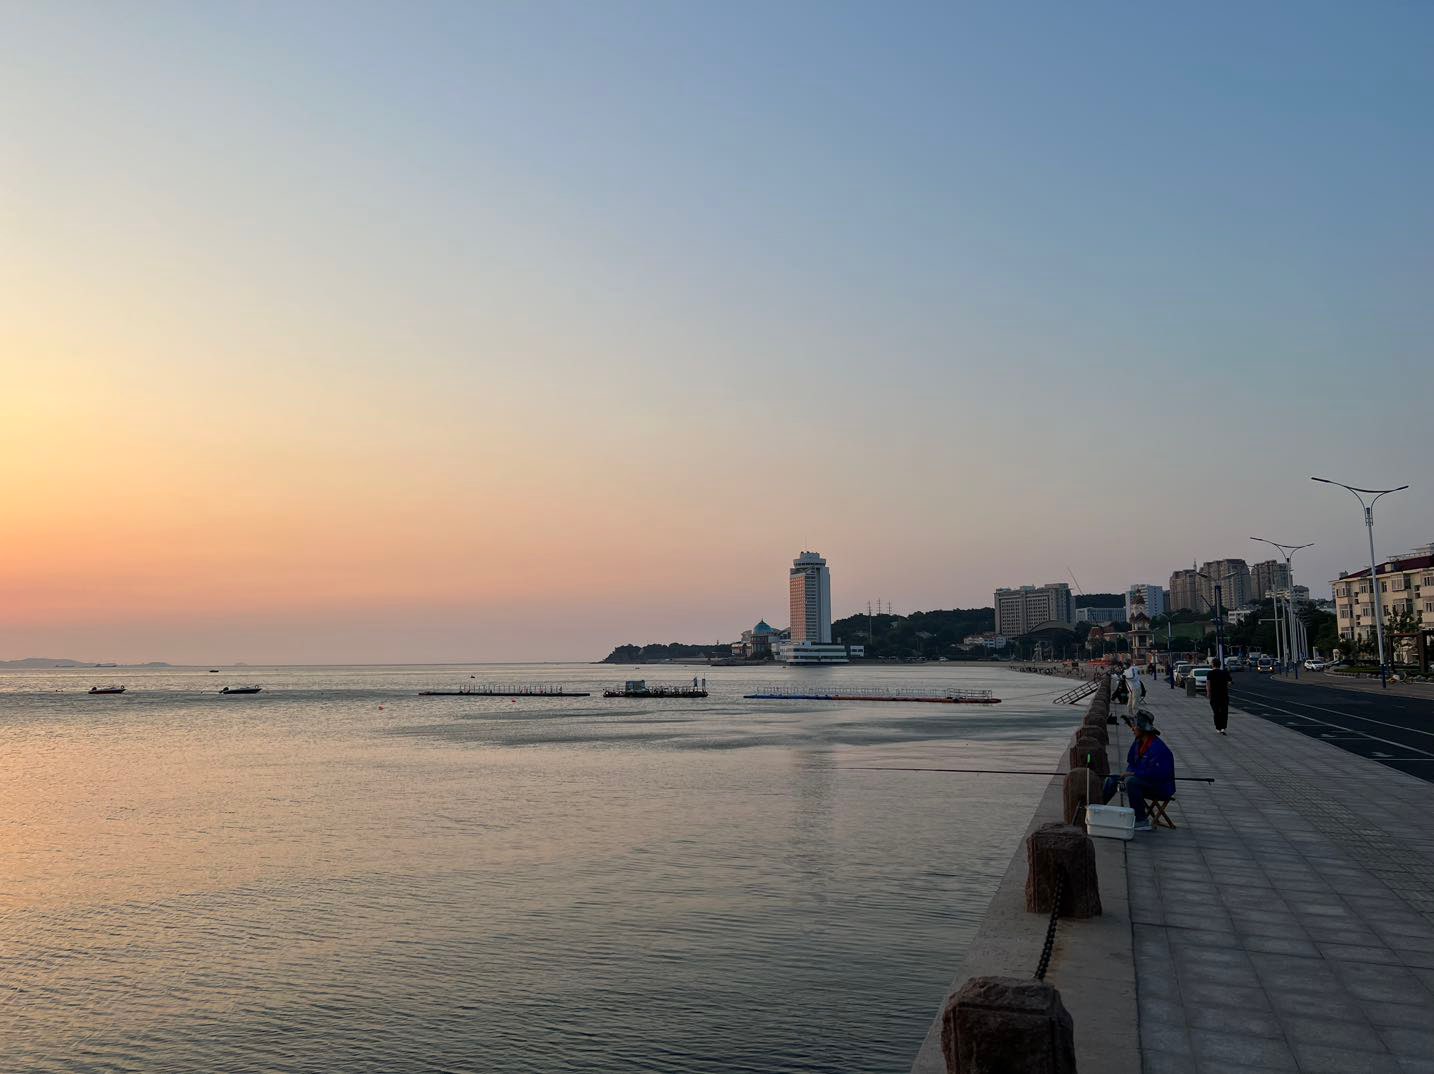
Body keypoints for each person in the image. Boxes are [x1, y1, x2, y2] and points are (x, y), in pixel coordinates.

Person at [1102, 710, 1175, 832]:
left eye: (1134, 726)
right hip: (1141, 781)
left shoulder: (1159, 749)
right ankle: (1096, 809)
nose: (1132, 729)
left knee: (1131, 782)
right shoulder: (1137, 743)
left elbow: (1158, 775)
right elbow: (1132, 764)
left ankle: (1141, 820)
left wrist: (1133, 774)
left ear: (1143, 729)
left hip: (1160, 787)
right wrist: (1125, 775)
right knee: (1111, 779)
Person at [1207, 656, 1232, 735]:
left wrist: (1208, 693)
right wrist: (1226, 685)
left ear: (1213, 664)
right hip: (1224, 694)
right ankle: (1223, 728)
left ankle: (1218, 727)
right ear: (1220, 664)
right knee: (1224, 711)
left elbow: (1208, 684)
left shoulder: (1210, 673)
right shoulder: (1225, 672)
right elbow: (1229, 682)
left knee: (1216, 711)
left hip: (1214, 695)